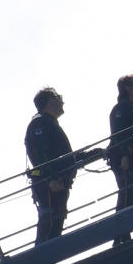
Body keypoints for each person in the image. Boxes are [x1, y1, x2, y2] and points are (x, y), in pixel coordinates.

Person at [24, 87, 102, 246]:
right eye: (59, 97)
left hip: (57, 184)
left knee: (55, 222)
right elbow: (39, 156)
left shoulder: (48, 123)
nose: (62, 101)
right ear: (50, 101)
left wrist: (95, 154)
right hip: (50, 185)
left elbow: (65, 158)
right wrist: (51, 178)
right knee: (50, 222)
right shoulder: (40, 123)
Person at [107, 74, 133, 245]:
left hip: (131, 155)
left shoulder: (131, 106)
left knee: (132, 192)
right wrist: (125, 155)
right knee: (127, 192)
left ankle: (124, 234)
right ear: (127, 87)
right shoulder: (122, 108)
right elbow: (120, 134)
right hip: (123, 157)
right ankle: (119, 235)